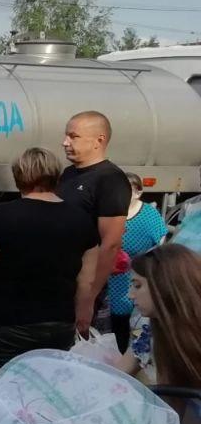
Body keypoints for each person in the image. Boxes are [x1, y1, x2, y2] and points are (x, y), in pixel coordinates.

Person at [0, 148, 100, 381]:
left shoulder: (3, 215)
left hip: (5, 323)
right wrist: (82, 315)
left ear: (19, 176)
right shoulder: (81, 219)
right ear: (56, 176)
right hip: (58, 323)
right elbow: (86, 281)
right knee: (46, 393)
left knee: (2, 394)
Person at [58, 110, 131, 335]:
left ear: (99, 140)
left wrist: (88, 298)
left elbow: (110, 243)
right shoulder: (68, 174)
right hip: (58, 283)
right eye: (66, 136)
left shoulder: (110, 180)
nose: (65, 142)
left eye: (73, 136)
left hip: (83, 289)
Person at [112, 244, 201, 388]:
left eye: (137, 285)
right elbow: (117, 374)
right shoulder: (151, 333)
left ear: (165, 285)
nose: (130, 295)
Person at [108, 172, 169, 351]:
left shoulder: (149, 214)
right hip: (115, 277)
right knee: (117, 321)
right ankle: (118, 353)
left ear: (138, 192)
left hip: (140, 275)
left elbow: (162, 242)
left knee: (137, 322)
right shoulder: (110, 213)